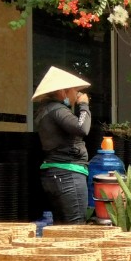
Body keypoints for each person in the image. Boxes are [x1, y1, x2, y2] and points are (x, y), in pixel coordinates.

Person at [32, 66, 93, 225]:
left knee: (62, 227)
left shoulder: (45, 110)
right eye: (74, 90)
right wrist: (84, 106)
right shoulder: (57, 110)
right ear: (63, 92)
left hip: (56, 175)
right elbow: (82, 128)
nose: (77, 95)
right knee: (75, 226)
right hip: (68, 175)